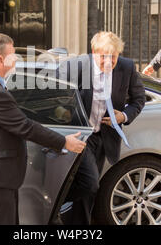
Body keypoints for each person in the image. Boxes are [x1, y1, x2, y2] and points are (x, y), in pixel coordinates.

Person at [0, 33, 86, 225]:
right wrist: (64, 141)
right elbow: (25, 127)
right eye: (13, 55)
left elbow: (12, 116)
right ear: (1, 59)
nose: (16, 59)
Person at [57, 31, 146, 225]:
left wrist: (124, 115)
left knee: (90, 190)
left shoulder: (127, 67)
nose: (108, 61)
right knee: (90, 184)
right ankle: (53, 203)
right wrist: (63, 112)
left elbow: (139, 99)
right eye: (103, 56)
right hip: (79, 135)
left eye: (112, 57)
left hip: (102, 137)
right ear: (93, 52)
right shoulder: (76, 66)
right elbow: (56, 95)